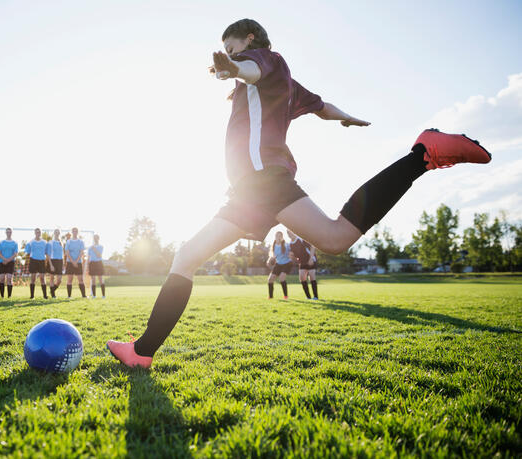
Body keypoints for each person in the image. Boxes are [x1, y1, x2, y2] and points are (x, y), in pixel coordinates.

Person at [106, 18, 491, 369]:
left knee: (334, 238)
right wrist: (347, 117)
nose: (228, 54)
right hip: (250, 192)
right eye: (225, 52)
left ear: (251, 38)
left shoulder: (266, 60)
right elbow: (321, 106)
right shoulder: (284, 83)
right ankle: (142, 352)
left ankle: (422, 155)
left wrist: (235, 68)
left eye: (232, 46)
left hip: (263, 184)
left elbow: (253, 67)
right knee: (191, 254)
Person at [287, 229, 318, 300]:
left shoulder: (301, 239)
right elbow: (294, 254)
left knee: (312, 277)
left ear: (293, 232)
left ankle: (315, 297)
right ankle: (308, 297)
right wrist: (291, 257)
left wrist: (310, 259)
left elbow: (312, 247)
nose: (289, 234)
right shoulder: (290, 244)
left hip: (310, 259)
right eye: (288, 234)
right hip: (302, 262)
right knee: (302, 278)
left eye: (290, 232)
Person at [25, 228, 50, 299]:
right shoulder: (31, 242)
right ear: (35, 233)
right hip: (33, 261)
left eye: (39, 232)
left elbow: (47, 253)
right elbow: (27, 251)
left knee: (42, 278)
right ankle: (32, 296)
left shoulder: (45, 242)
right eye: (36, 232)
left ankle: (45, 296)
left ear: (40, 233)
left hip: (42, 261)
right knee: (33, 278)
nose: (38, 233)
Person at [267, 231, 292, 300]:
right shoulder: (273, 245)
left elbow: (291, 252)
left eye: (280, 236)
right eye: (277, 236)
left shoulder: (286, 245)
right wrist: (269, 260)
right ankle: (270, 297)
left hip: (287, 263)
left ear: (282, 237)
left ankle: (286, 296)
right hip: (278, 264)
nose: (278, 237)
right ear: (275, 237)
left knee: (281, 278)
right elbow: (272, 255)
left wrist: (291, 255)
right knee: (270, 279)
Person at [0, 227, 18, 298]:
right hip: (1, 262)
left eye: (10, 232)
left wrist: (8, 260)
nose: (9, 233)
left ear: (11, 233)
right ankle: (2, 296)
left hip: (10, 262)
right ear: (5, 233)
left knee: (9, 278)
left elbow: (15, 254)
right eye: (7, 232)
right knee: (2, 278)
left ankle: (9, 296)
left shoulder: (15, 243)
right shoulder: (1, 242)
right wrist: (4, 259)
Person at [65, 227, 86, 298]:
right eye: (73, 231)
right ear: (72, 232)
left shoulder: (81, 242)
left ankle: (84, 296)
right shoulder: (68, 242)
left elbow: (81, 252)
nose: (74, 232)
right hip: (70, 262)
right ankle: (69, 296)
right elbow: (67, 253)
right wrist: (72, 262)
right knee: (69, 279)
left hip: (78, 263)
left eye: (76, 231)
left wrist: (76, 261)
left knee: (81, 279)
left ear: (78, 232)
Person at [47, 229, 64, 298]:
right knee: (52, 278)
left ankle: (52, 290)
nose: (57, 233)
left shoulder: (61, 242)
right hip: (52, 261)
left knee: (59, 280)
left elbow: (62, 254)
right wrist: (51, 265)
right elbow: (48, 254)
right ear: (54, 233)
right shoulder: (50, 242)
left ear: (59, 233)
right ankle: (53, 295)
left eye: (58, 232)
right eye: (56, 232)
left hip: (60, 261)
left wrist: (63, 264)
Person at [88, 234, 106, 298]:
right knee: (93, 280)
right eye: (94, 238)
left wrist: (94, 248)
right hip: (92, 263)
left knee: (101, 279)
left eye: (96, 238)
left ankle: (103, 295)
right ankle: (94, 295)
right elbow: (89, 257)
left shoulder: (101, 246)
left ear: (98, 238)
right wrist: (88, 266)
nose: (95, 239)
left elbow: (99, 255)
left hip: (99, 263)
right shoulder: (90, 247)